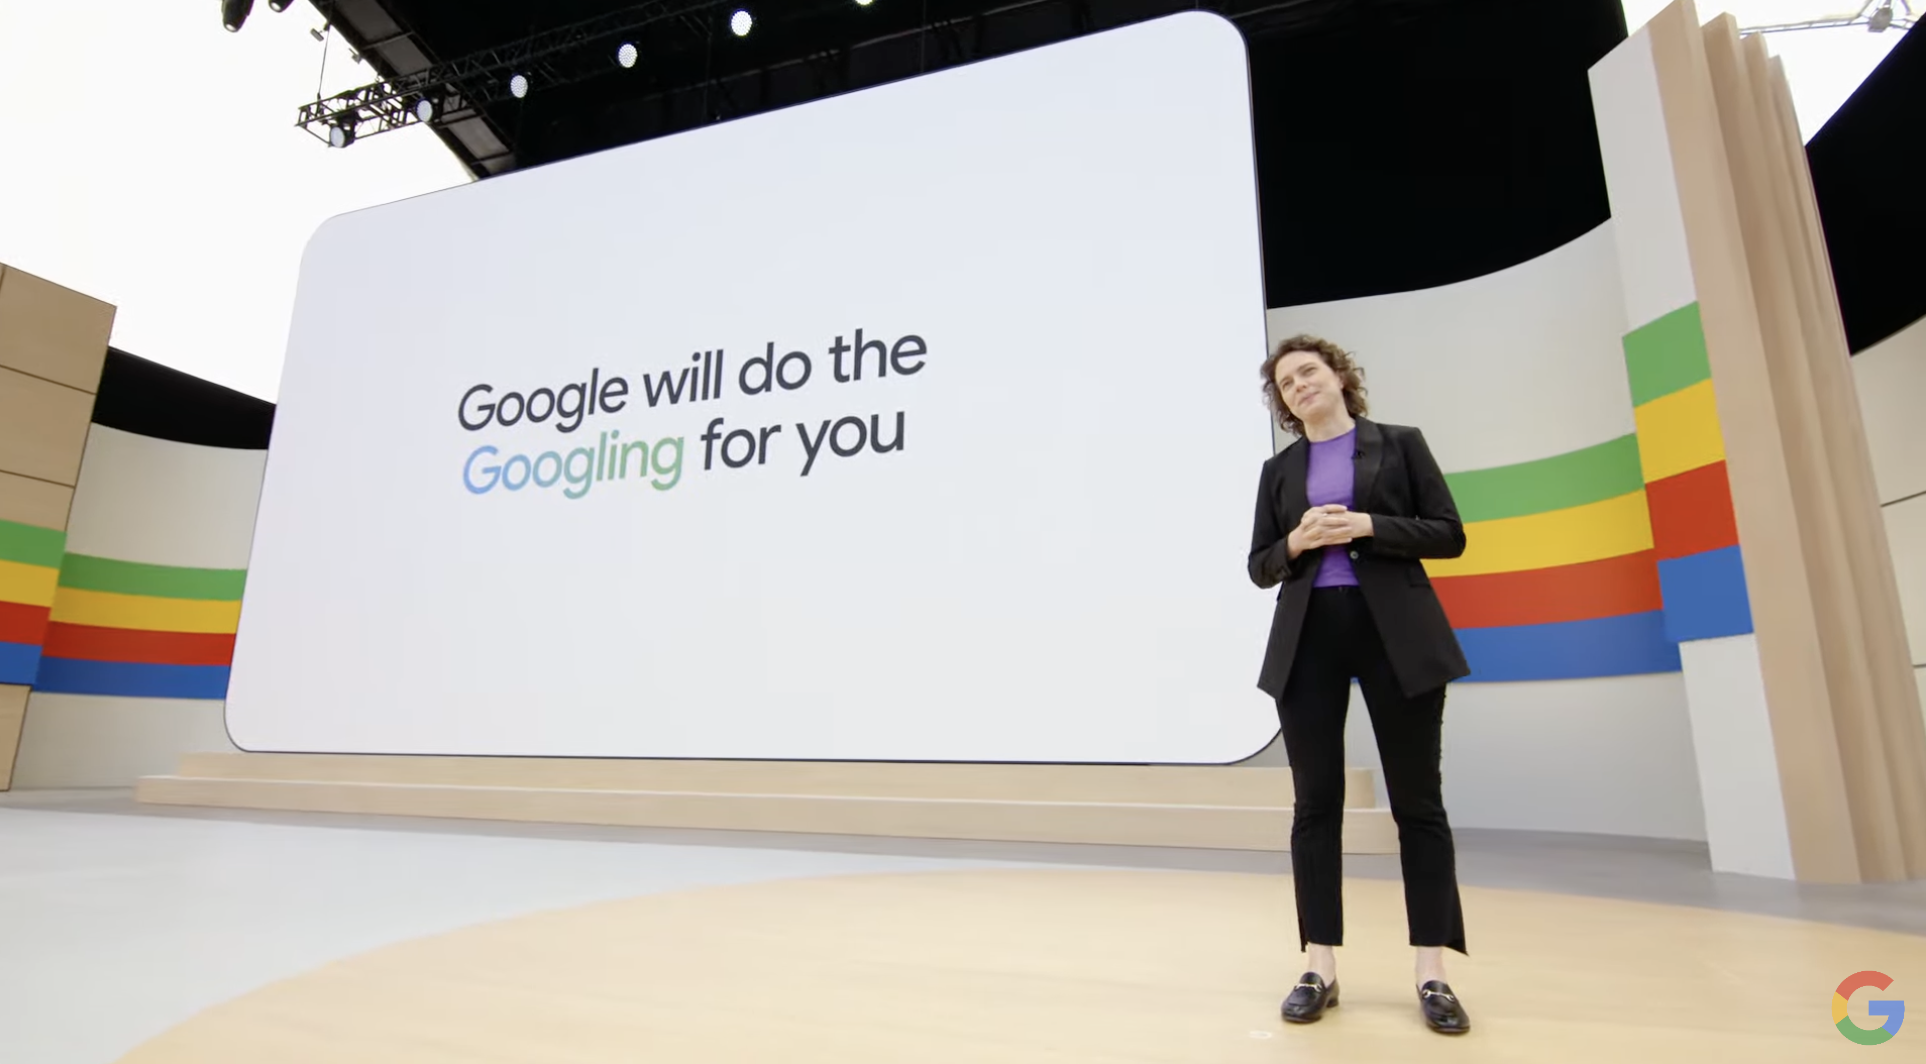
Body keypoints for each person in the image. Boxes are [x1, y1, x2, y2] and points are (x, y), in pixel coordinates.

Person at [1246, 334, 1473, 1035]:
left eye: (1308, 372)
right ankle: (1320, 965)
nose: (1298, 386)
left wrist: (1370, 523)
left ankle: (1432, 971)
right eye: (1285, 383)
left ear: (1340, 377)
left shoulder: (1401, 444)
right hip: (1309, 638)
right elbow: (1259, 564)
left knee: (1419, 804)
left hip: (1395, 637)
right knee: (1315, 805)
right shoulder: (1280, 471)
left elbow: (1448, 533)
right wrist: (1298, 543)